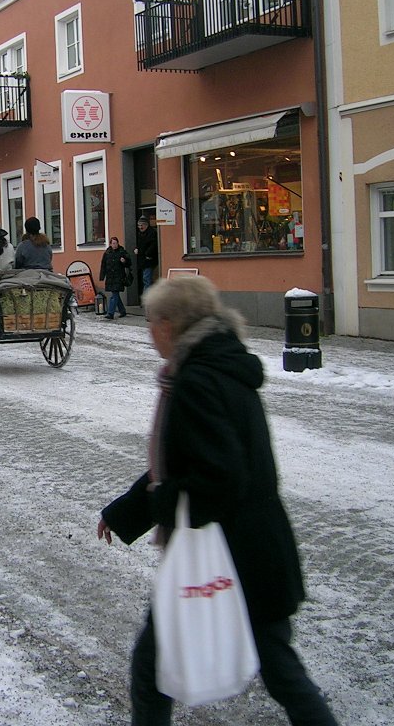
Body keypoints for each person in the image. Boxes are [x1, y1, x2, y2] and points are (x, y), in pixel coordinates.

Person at [98, 276, 338, 726]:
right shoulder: (220, 366)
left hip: (231, 555)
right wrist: (127, 511)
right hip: (256, 547)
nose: (148, 332)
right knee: (279, 669)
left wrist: (163, 502)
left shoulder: (196, 380)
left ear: (170, 324)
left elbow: (217, 477)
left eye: (150, 322)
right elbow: (183, 461)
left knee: (156, 670)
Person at [99, 236, 131, 320]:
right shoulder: (107, 253)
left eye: (116, 243)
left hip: (119, 276)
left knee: (114, 295)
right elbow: (103, 265)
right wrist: (102, 276)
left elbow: (129, 263)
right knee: (115, 294)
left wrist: (124, 261)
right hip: (110, 277)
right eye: (113, 243)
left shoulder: (122, 251)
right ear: (110, 244)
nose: (115, 245)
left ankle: (110, 313)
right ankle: (122, 311)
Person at [133, 216, 159, 295]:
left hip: (149, 260)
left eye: (141, 225)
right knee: (146, 279)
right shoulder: (140, 233)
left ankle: (147, 298)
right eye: (139, 225)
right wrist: (136, 248)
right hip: (143, 260)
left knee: (147, 279)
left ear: (146, 225)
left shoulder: (152, 233)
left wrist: (147, 254)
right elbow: (140, 245)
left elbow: (153, 245)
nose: (140, 227)